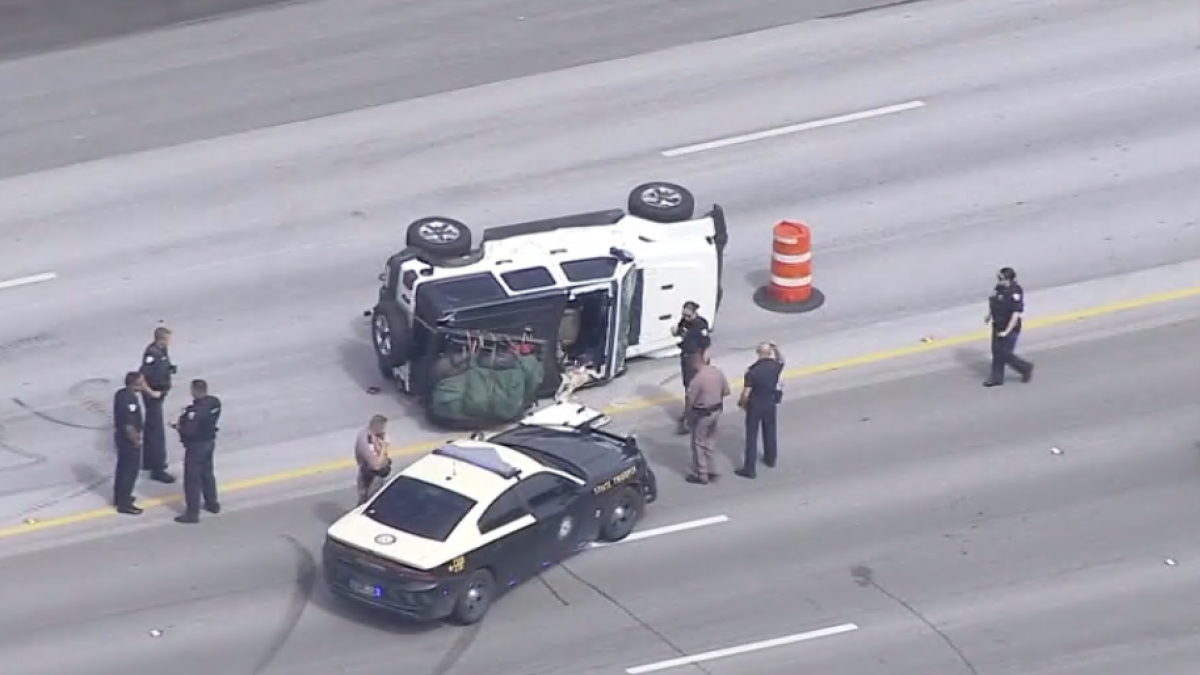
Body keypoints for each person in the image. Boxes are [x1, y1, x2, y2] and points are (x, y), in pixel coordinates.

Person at [171, 379, 222, 524]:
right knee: (207, 474)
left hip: (196, 446)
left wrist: (178, 426)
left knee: (192, 479)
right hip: (209, 441)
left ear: (194, 391)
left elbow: (189, 431)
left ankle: (192, 513)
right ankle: (212, 503)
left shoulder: (195, 411)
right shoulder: (214, 403)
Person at [736, 341, 784, 479]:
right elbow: (781, 359)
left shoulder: (752, 371)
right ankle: (771, 458)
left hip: (755, 404)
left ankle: (749, 468)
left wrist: (742, 403)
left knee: (752, 436)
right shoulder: (775, 367)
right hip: (770, 402)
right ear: (770, 353)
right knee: (770, 430)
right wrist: (776, 348)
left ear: (758, 353)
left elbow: (746, 393)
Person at [684, 347, 730, 485]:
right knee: (710, 441)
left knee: (698, 443)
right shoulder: (717, 372)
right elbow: (726, 391)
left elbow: (690, 401)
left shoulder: (697, 379)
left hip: (702, 414)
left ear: (695, 363)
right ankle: (713, 470)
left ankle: (701, 474)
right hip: (716, 410)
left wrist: (687, 416)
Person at [984, 267, 1035, 387]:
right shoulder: (998, 288)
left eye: (1000, 278)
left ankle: (1025, 368)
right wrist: (989, 315)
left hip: (1011, 327)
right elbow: (994, 301)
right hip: (997, 324)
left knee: (1005, 354)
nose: (998, 280)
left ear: (1008, 280)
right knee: (996, 352)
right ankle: (996, 378)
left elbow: (1015, 314)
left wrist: (1006, 332)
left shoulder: (1015, 292)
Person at [139, 326, 177, 483]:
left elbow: (163, 364)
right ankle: (158, 468)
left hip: (160, 393)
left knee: (151, 428)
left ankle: (148, 461)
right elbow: (141, 376)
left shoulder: (163, 350)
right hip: (153, 395)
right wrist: (151, 392)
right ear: (160, 339)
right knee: (156, 432)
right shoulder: (151, 354)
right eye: (168, 338)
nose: (170, 341)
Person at [671, 301, 711, 433]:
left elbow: (706, 343)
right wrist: (675, 332)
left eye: (688, 315)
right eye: (684, 315)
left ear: (695, 313)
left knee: (693, 389)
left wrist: (703, 360)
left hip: (696, 357)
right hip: (686, 356)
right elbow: (680, 331)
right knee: (688, 387)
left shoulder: (701, 324)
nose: (686, 318)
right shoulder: (684, 321)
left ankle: (690, 419)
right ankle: (691, 413)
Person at [112, 371, 148, 515]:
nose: (144, 384)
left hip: (121, 438)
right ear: (135, 384)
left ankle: (119, 496)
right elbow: (128, 424)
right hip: (128, 440)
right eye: (142, 382)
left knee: (122, 469)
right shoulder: (129, 400)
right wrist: (136, 440)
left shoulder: (121, 394)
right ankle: (124, 503)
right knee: (129, 471)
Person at [356, 415, 392, 504]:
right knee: (371, 501)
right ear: (376, 426)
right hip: (372, 476)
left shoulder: (372, 435)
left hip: (370, 473)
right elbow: (376, 466)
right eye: (383, 427)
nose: (384, 430)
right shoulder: (367, 441)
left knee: (365, 499)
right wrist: (384, 446)